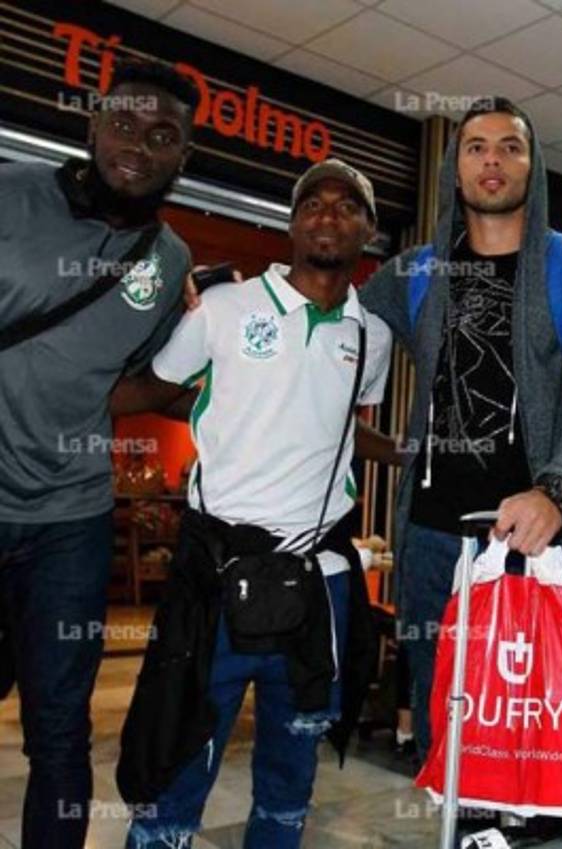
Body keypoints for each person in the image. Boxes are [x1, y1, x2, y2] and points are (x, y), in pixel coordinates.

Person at [357, 97, 562, 841]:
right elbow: (332, 323)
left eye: (511, 146)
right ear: (455, 166)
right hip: (431, 545)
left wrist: (556, 491)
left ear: (533, 166)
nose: (493, 160)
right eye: (476, 147)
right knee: (454, 749)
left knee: (547, 747)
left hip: (540, 546)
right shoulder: (415, 271)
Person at [112, 159, 392, 848]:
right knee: (179, 753)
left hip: (317, 581)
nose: (328, 215)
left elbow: (337, 423)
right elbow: (155, 387)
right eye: (313, 203)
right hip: (217, 571)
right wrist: (58, 394)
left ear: (368, 230)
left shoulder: (372, 336)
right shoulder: (226, 310)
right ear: (292, 223)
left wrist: (413, 453)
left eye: (347, 206)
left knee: (291, 771)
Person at [0, 58, 195, 849]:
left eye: (162, 135)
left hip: (70, 519)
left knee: (59, 731)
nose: (138, 145)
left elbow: (137, 381)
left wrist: (231, 393)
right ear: (93, 123)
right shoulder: (11, 191)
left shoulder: (169, 261)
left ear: (183, 156)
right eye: (124, 123)